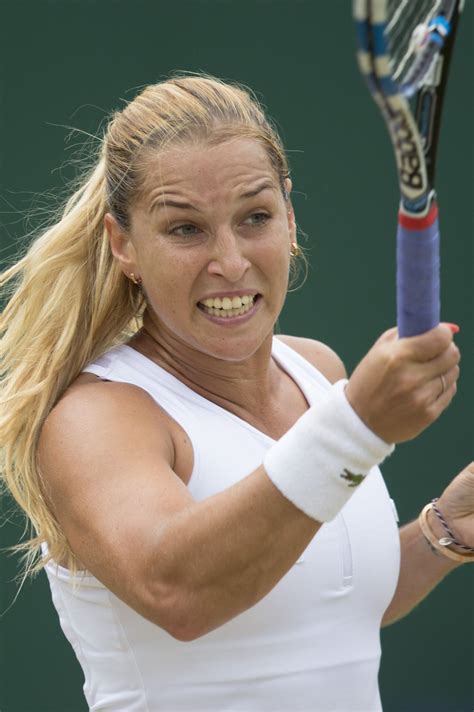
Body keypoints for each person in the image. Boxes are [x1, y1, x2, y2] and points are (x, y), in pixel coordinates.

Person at [0, 74, 472, 712]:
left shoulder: (318, 370)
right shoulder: (96, 417)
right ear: (123, 245)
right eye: (185, 229)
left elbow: (325, 608)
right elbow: (180, 593)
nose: (229, 260)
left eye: (255, 218)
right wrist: (359, 425)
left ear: (289, 217)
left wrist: (445, 530)